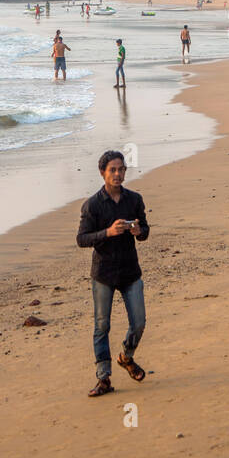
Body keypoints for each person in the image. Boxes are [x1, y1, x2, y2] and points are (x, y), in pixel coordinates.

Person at [77, 150, 150, 397]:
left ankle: (126, 357)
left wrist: (138, 230)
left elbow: (145, 232)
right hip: (103, 273)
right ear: (102, 173)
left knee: (139, 322)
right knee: (101, 326)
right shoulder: (93, 205)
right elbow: (82, 239)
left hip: (130, 271)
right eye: (112, 170)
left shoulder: (134, 200)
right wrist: (107, 233)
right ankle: (103, 378)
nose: (117, 174)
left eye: (121, 170)